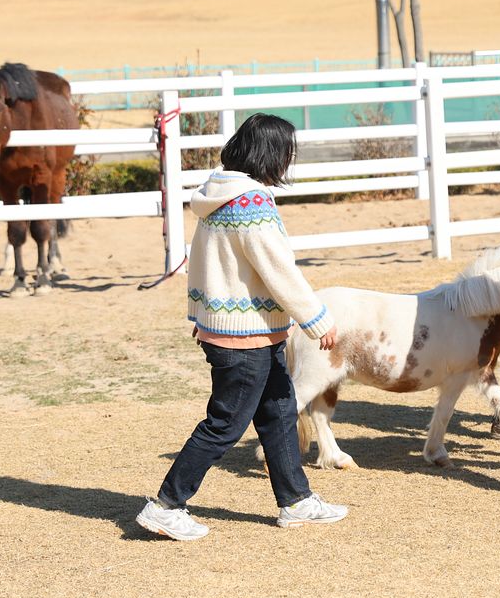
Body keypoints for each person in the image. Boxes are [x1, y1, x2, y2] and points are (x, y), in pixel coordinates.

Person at [136, 113, 348, 539]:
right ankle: (166, 505)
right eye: (286, 152)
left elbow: (204, 263)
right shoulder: (251, 202)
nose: (288, 160)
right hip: (244, 337)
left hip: (245, 331)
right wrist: (317, 319)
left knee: (279, 413)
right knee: (225, 424)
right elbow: (278, 270)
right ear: (270, 154)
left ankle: (296, 500)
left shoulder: (216, 194)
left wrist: (201, 315)